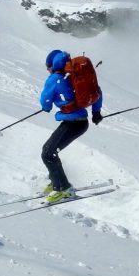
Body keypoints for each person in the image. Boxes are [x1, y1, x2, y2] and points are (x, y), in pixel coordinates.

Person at [40, 49, 103, 203]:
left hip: (73, 123)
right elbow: (98, 92)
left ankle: (63, 188)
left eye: (48, 67)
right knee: (49, 151)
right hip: (81, 122)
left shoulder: (55, 78)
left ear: (52, 66)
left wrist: (46, 107)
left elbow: (45, 101)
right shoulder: (73, 76)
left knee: (48, 153)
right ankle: (57, 181)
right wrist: (96, 112)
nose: (48, 70)